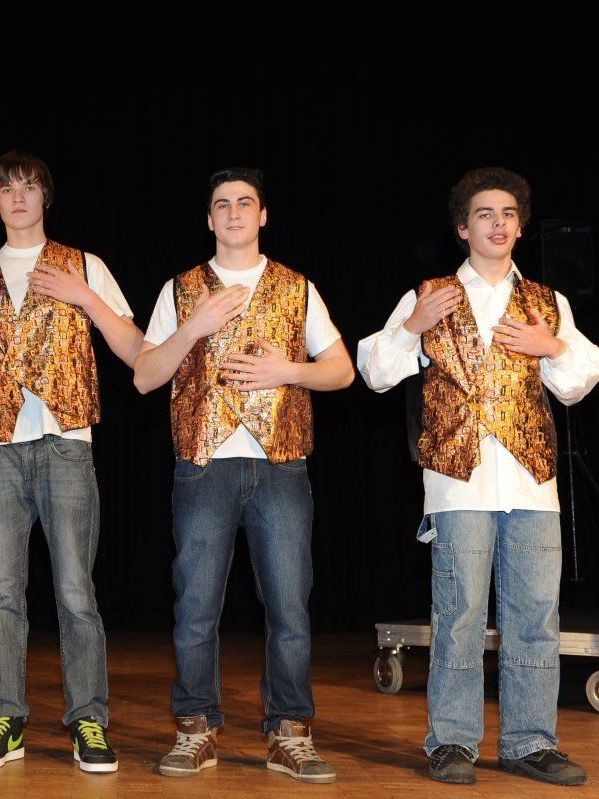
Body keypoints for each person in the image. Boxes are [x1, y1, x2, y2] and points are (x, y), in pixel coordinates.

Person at [358, 167, 596, 787]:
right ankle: (453, 742)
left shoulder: (547, 303)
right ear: (463, 228)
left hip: (531, 483)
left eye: (508, 214)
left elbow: (577, 384)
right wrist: (412, 327)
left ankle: (529, 742)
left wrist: (553, 348)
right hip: (457, 481)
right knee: (459, 614)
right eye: (485, 214)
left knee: (535, 617)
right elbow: (375, 372)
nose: (498, 223)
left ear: (520, 226)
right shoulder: (430, 295)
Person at [134, 167, 353, 783]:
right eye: (223, 204)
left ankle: (290, 732)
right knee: (195, 605)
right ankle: (195, 728)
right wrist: (193, 327)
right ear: (209, 219)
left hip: (280, 465)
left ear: (263, 216)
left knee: (289, 606)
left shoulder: (297, 287)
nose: (234, 212)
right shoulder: (180, 289)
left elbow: (341, 371)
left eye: (245, 202)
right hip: (203, 466)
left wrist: (290, 371)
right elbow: (145, 377)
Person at [0, 151, 142, 773]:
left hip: (66, 442)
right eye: (6, 188)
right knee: (2, 590)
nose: (18, 196)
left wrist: (85, 296)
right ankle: (7, 717)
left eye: (29, 186)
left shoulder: (84, 263)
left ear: (46, 197)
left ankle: (88, 720)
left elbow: (135, 348)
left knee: (75, 590)